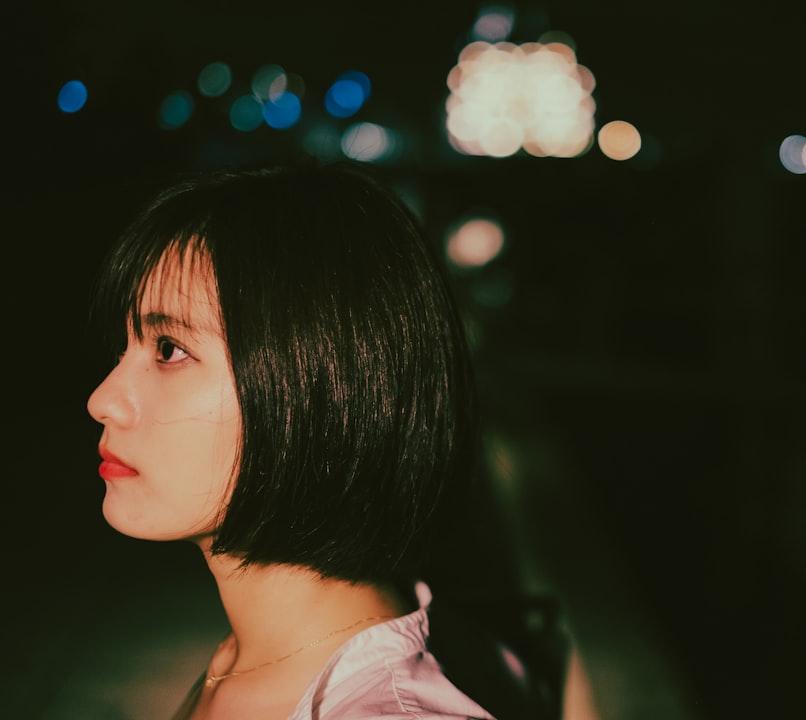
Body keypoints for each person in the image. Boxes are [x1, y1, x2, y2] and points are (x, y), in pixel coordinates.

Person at [86, 162, 502, 719]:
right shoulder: (252, 655)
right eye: (124, 347)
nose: (103, 400)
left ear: (321, 386)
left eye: (168, 349)